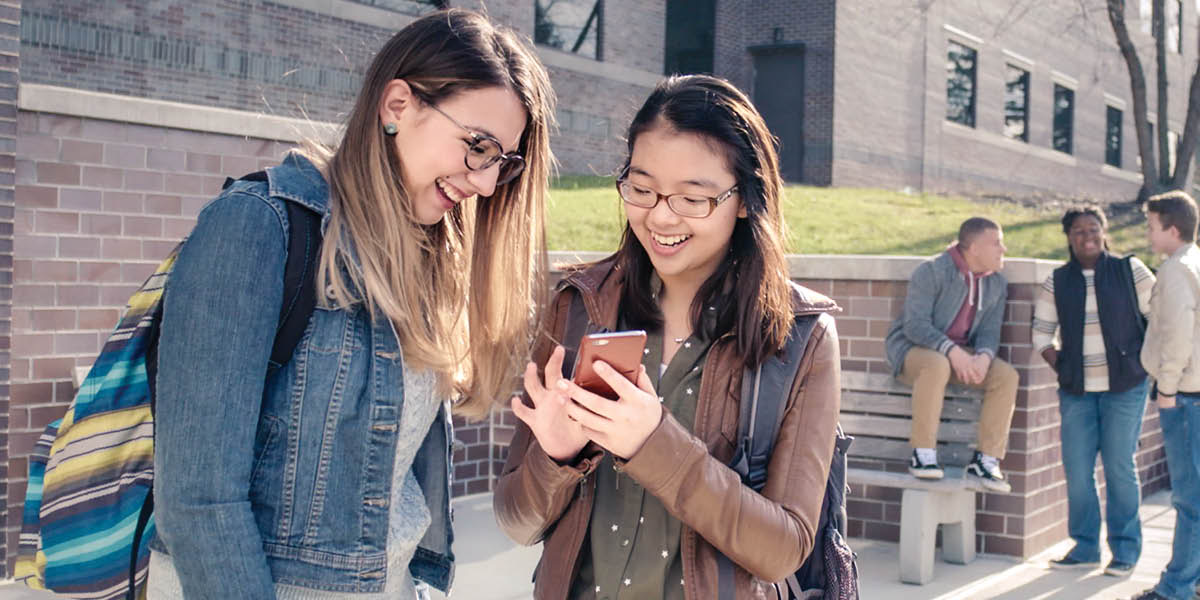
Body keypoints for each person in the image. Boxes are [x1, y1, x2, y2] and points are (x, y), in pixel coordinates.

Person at [148, 9, 555, 598]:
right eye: (477, 147)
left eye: (503, 162)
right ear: (397, 107)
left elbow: (399, 488)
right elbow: (199, 499)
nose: (487, 184)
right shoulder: (261, 228)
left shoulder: (433, 258)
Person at [492, 75, 842, 599]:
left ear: (745, 200)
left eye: (692, 198)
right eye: (642, 188)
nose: (659, 215)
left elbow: (782, 549)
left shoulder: (801, 337)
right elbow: (516, 522)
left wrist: (654, 443)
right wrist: (556, 458)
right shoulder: (581, 305)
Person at [1032, 206, 1155, 576]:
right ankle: (1085, 548)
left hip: (1125, 389)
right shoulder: (1058, 281)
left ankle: (1126, 551)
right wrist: (1066, 368)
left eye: (1093, 229)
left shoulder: (1130, 270)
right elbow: (1041, 334)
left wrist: (1143, 365)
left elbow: (1158, 320)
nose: (1086, 237)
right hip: (1077, 394)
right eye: (1078, 231)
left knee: (1119, 468)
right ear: (1068, 237)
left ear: (1103, 231)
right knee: (1078, 468)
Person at [884, 217, 1017, 491]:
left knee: (1005, 375)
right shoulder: (931, 271)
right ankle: (923, 455)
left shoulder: (996, 284)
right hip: (914, 352)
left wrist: (983, 356)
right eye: (997, 243)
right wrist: (952, 351)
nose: (1003, 249)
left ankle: (986, 460)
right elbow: (915, 325)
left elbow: (990, 333)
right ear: (974, 248)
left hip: (956, 358)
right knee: (937, 364)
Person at [1130, 191, 1200, 600]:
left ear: (1172, 229)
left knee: (1189, 498)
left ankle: (1176, 588)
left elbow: (1176, 337)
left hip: (1187, 396)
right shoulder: (1194, 262)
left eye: (1152, 225)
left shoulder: (1176, 271)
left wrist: (1168, 390)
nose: (1148, 233)